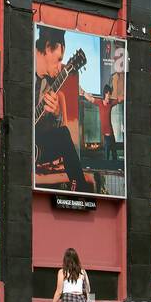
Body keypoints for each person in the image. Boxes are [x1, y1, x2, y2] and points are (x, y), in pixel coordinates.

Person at [34, 27, 91, 192]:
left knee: (63, 134)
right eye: (59, 59)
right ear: (46, 48)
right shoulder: (23, 69)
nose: (60, 67)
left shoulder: (48, 84)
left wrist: (56, 113)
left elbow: (46, 129)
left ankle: (80, 191)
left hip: (36, 146)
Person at [82, 84, 122, 161]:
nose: (109, 98)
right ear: (104, 95)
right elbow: (90, 99)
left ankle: (116, 168)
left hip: (111, 134)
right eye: (107, 96)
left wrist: (124, 96)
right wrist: (83, 92)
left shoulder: (110, 103)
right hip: (106, 136)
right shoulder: (99, 103)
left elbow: (119, 100)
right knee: (107, 155)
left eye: (110, 96)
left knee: (114, 155)